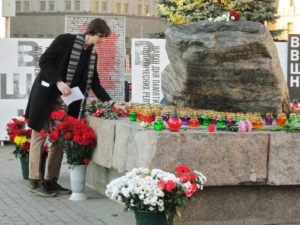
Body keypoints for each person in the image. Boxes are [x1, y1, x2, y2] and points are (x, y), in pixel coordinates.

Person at [25, 18, 122, 197]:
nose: (102, 41)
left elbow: (94, 82)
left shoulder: (92, 55)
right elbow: (45, 61)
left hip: (66, 103)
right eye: (101, 37)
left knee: (59, 140)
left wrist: (108, 101)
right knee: (39, 136)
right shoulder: (65, 40)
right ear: (91, 33)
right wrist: (58, 81)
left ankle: (50, 181)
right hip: (47, 97)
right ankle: (34, 180)